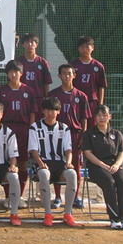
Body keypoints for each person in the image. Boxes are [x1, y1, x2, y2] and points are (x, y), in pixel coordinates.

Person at [28, 97, 77, 227]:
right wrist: (40, 163)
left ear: (58, 111)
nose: (50, 113)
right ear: (43, 111)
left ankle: (68, 213)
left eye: (53, 110)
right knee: (44, 174)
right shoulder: (35, 127)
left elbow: (68, 149)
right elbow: (33, 150)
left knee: (72, 174)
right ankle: (48, 213)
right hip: (43, 162)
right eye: (47, 110)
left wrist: (68, 162)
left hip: (60, 164)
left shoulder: (64, 128)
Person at [48, 64, 92, 209]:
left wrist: (84, 135)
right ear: (59, 76)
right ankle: (57, 197)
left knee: (75, 166)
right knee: (57, 165)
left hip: (75, 134)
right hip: (57, 134)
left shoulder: (81, 96)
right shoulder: (53, 95)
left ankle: (75, 196)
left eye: (69, 73)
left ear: (74, 75)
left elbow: (84, 118)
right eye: (64, 73)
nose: (67, 76)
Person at [82, 105, 123, 230]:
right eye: (99, 115)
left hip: (115, 166)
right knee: (109, 182)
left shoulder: (117, 134)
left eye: (104, 115)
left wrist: (116, 165)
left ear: (110, 117)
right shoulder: (89, 134)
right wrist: (102, 165)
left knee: (122, 181)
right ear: (95, 118)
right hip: (97, 167)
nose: (101, 118)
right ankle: (114, 218)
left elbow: (122, 152)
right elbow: (88, 153)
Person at [0, 59, 36, 208]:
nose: (13, 75)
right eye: (10, 72)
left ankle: (19, 196)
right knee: (7, 164)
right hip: (7, 129)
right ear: (7, 74)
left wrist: (31, 130)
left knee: (22, 163)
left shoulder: (28, 91)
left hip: (23, 129)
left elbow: (32, 112)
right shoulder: (1, 91)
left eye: (16, 72)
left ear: (21, 73)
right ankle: (8, 197)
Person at [70, 35, 108, 129]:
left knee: (92, 127)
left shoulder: (98, 66)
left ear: (92, 48)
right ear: (78, 49)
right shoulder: (73, 65)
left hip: (92, 101)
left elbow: (101, 86)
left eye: (87, 47)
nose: (85, 49)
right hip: (76, 100)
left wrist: (100, 104)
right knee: (76, 126)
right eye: (82, 47)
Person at [16, 33, 52, 120]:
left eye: (32, 42)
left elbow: (46, 83)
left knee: (37, 122)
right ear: (23, 45)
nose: (30, 44)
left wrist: (47, 99)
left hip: (38, 97)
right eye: (27, 42)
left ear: (36, 44)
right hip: (22, 96)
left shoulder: (42, 62)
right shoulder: (18, 61)